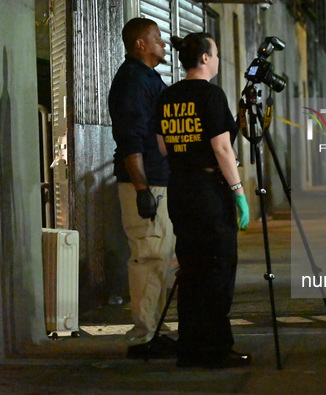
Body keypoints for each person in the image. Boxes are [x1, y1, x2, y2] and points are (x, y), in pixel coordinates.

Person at [156, 32, 251, 369]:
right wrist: (238, 192)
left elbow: (163, 146)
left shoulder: (167, 95)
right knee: (218, 269)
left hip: (180, 188)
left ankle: (190, 348)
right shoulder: (210, 95)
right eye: (217, 53)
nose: (219, 58)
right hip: (210, 191)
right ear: (207, 58)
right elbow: (222, 148)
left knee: (192, 270)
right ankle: (215, 348)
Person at [108, 17, 176, 344]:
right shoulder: (133, 81)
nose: (163, 44)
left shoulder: (147, 78)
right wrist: (142, 189)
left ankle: (155, 331)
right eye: (157, 38)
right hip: (147, 184)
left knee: (158, 258)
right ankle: (144, 337)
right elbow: (129, 139)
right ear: (140, 44)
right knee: (148, 257)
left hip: (158, 181)